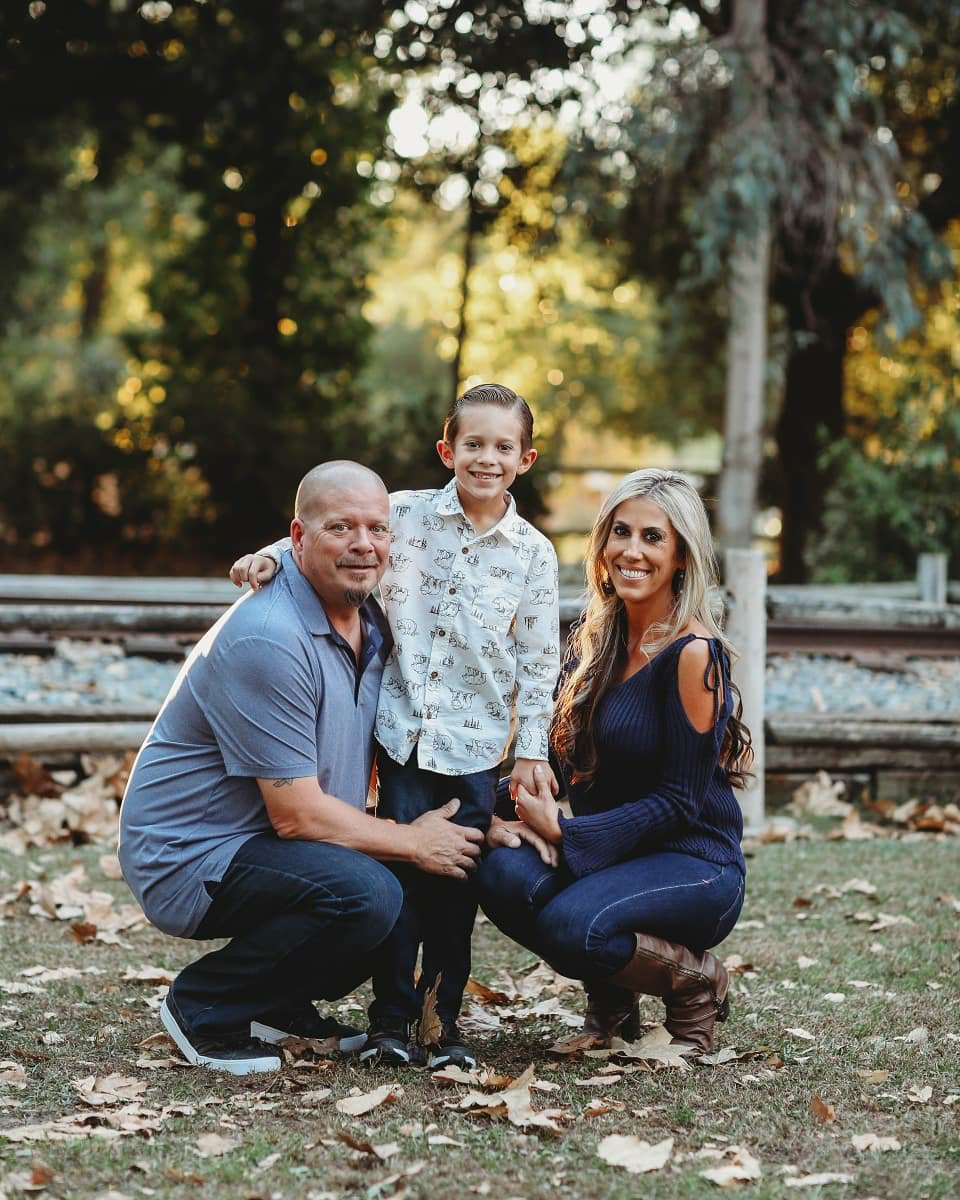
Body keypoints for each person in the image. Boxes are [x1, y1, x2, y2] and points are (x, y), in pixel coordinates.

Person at [230, 384, 560, 1070]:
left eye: (503, 447)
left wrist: (531, 752)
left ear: (525, 459)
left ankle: (443, 1024)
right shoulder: (404, 514)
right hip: (401, 734)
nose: (487, 458)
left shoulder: (533, 553)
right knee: (401, 875)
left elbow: (538, 660)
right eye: (473, 444)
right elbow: (326, 529)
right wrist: (270, 556)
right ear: (447, 450)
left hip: (473, 747)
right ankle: (389, 1022)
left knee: (455, 889)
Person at [118, 461, 483, 1076]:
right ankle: (204, 1006)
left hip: (263, 841)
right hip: (190, 853)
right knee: (370, 894)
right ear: (298, 537)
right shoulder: (269, 636)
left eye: (377, 528)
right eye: (340, 527)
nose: (364, 544)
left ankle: (274, 1003)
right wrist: (414, 841)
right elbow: (296, 816)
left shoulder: (370, 618)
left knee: (386, 894)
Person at [475, 468, 752, 1055]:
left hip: (695, 865)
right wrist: (479, 812)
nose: (631, 550)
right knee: (498, 871)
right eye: (620, 532)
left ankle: (695, 984)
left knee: (570, 925)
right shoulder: (597, 641)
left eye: (653, 537)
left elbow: (679, 803)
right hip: (614, 860)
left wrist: (565, 833)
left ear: (681, 556)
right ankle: (615, 1001)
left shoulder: (693, 654)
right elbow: (554, 761)